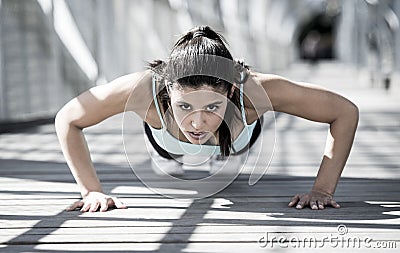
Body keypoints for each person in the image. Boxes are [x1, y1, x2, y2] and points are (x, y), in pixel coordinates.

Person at [55, 26, 359, 213]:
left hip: (237, 142)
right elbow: (68, 118)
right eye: (184, 107)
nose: (198, 124)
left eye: (212, 107)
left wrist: (323, 189)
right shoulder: (142, 91)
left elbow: (344, 111)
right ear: (167, 90)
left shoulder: (255, 90)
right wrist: (90, 190)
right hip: (166, 146)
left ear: (230, 88)